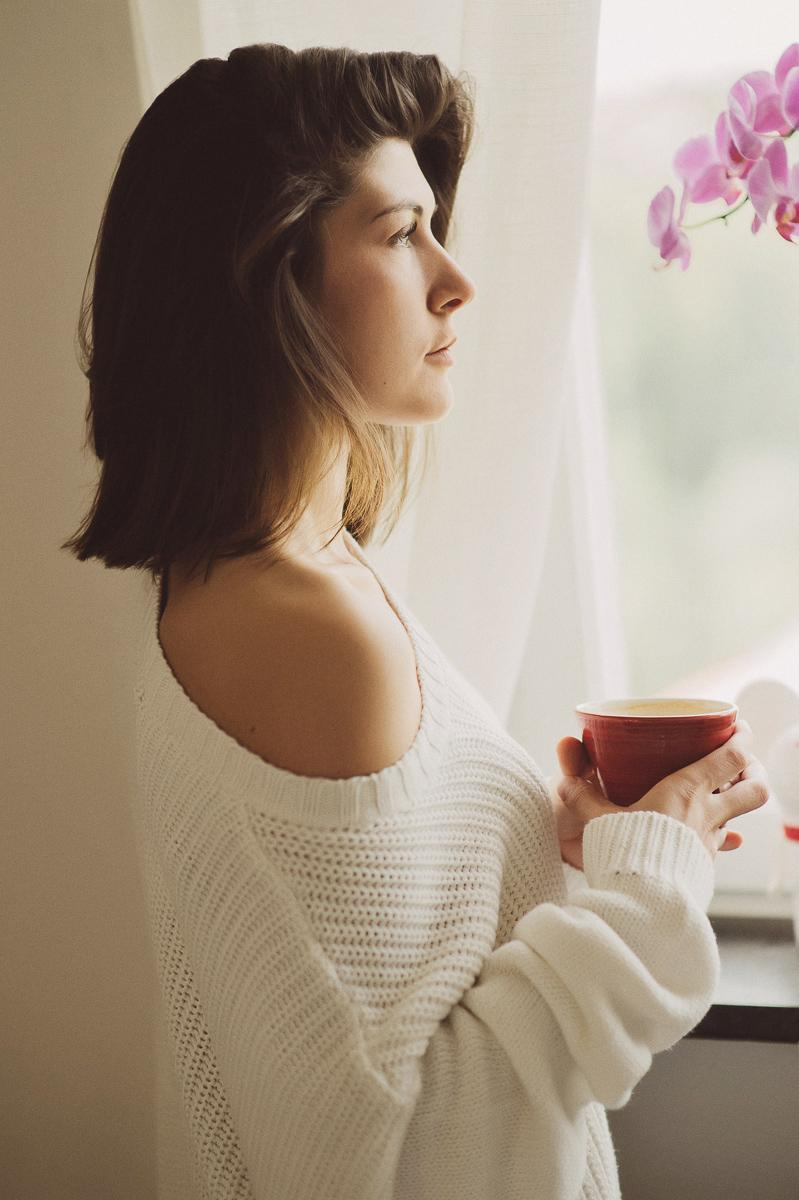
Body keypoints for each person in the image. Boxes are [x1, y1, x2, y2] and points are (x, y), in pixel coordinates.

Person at [62, 41, 770, 1200]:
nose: (456, 278)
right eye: (399, 234)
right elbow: (416, 1155)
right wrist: (656, 874)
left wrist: (569, 837)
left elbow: (390, 983)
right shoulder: (311, 634)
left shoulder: (275, 569)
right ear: (268, 280)